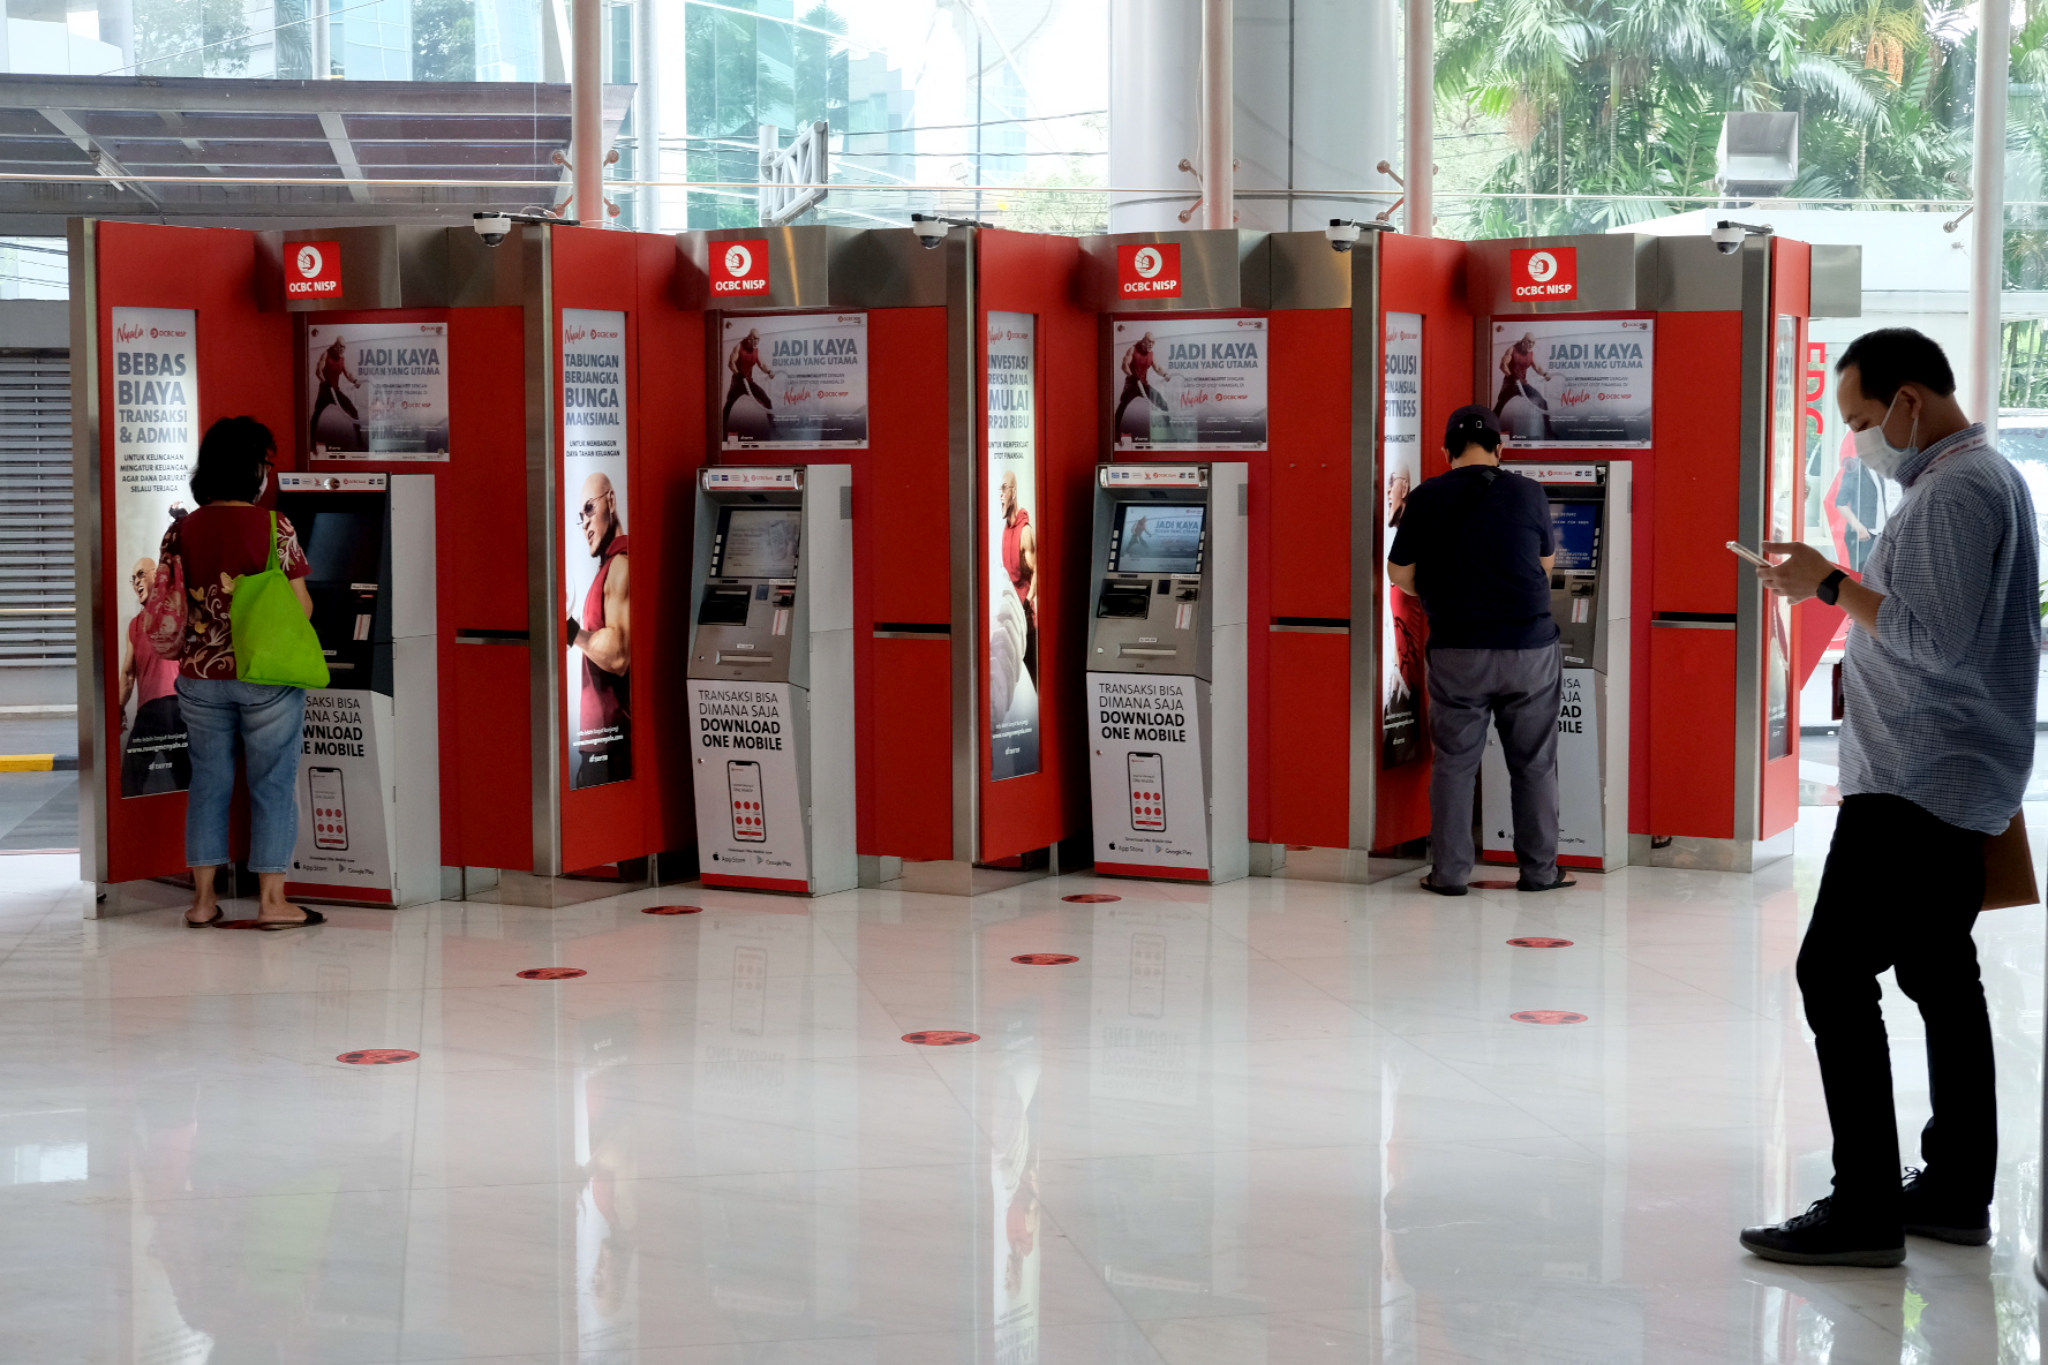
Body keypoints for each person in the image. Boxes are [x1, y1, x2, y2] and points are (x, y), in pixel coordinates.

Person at [1740, 328, 2039, 1268]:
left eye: (1867, 418)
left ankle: (1864, 1205)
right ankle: (1953, 1186)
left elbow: (1934, 640)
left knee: (1831, 973)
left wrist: (1827, 582)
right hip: (1942, 776)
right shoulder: (1972, 481)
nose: (1864, 437)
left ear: (1912, 399)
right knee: (1939, 977)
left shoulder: (1955, 492)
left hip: (1915, 783)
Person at [1387, 405, 1572, 896]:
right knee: (1533, 762)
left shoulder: (1426, 497)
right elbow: (1545, 565)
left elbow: (1398, 574)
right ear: (1499, 448)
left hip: (1458, 650)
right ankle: (1538, 871)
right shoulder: (1528, 492)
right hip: (1528, 649)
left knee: (1454, 762)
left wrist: (1439, 589)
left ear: (1446, 451)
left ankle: (1448, 874)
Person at [145, 416, 322, 929]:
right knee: (271, 784)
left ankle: (202, 901)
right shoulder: (275, 526)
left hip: (199, 678)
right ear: (253, 470)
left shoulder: (181, 530)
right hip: (265, 677)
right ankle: (272, 902)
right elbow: (302, 608)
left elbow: (172, 596)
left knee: (209, 784)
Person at [567, 471, 632, 787]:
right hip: (598, 743)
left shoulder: (622, 563)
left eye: (590, 509)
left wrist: (569, 631)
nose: (586, 524)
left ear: (612, 500)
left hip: (612, 744)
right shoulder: (608, 566)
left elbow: (619, 655)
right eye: (581, 517)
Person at [118, 554, 190, 796]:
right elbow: (128, 674)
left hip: (177, 707)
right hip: (148, 712)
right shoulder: (135, 625)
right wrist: (118, 709)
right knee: (130, 779)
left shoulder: (178, 612)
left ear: (157, 577)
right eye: (132, 579)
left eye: (141, 574)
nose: (136, 582)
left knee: (185, 777)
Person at [999, 470, 1038, 680]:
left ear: (1013, 492)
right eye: (1000, 489)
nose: (1001, 494)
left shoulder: (1025, 532)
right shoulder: (1006, 531)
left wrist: (1027, 601)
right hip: (1010, 616)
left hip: (1025, 618)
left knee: (1035, 676)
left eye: (1005, 488)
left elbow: (1037, 571)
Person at [1113, 332, 1174, 439]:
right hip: (1131, 384)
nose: (1151, 344)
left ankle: (1169, 431)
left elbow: (1157, 368)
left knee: (1163, 403)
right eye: (1149, 342)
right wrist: (1132, 376)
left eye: (1153, 342)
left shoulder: (1151, 354)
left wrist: (1165, 374)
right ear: (1143, 341)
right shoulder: (1133, 349)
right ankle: (1115, 434)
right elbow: (1125, 365)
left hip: (1144, 384)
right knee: (1122, 407)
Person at [308, 336, 362, 448]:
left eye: (344, 348)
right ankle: (311, 442)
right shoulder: (326, 354)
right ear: (336, 345)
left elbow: (347, 374)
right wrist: (325, 382)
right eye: (341, 347)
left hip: (335, 391)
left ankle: (360, 441)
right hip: (325, 391)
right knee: (316, 416)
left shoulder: (342, 358)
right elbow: (318, 371)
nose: (343, 349)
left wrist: (355, 381)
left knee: (353, 411)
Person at [721, 329, 776, 436]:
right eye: (755, 339)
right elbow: (731, 363)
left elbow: (762, 365)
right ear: (749, 338)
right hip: (737, 383)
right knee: (728, 407)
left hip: (749, 383)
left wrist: (769, 371)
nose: (757, 342)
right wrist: (738, 373)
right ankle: (722, 433)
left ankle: (773, 429)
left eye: (758, 340)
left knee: (767, 401)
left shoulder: (756, 350)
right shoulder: (739, 347)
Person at [1494, 331, 1552, 415]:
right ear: (1523, 341)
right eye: (1529, 341)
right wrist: (1511, 377)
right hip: (1510, 384)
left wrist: (1545, 374)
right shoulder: (1512, 349)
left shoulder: (1531, 354)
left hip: (1522, 384)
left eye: (1533, 343)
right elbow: (1503, 365)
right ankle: (1489, 425)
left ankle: (1548, 428)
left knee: (1542, 402)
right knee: (1499, 408)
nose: (1531, 344)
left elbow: (1537, 367)